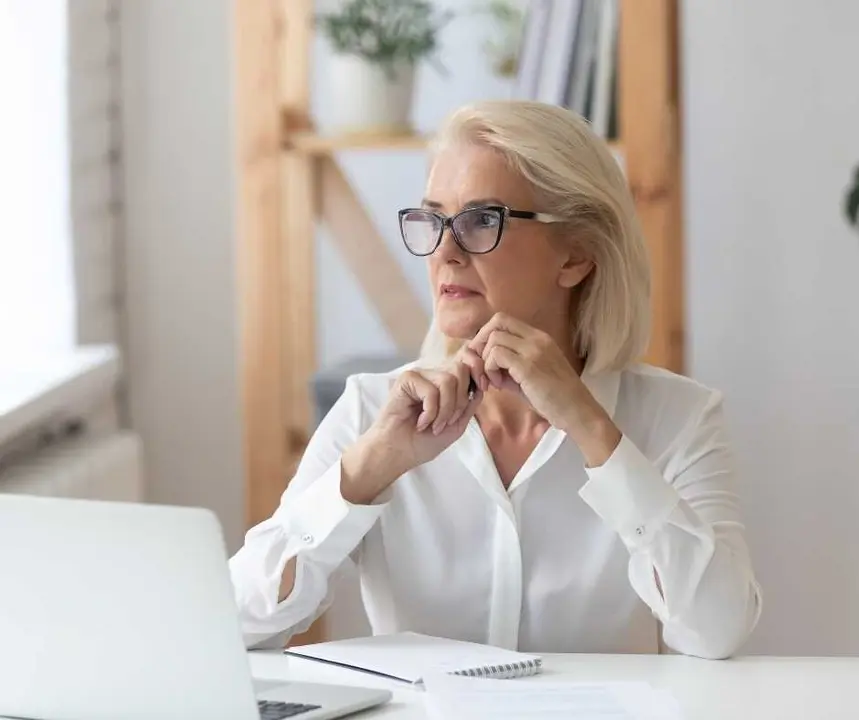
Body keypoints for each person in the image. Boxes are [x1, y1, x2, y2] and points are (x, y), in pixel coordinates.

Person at [229, 101, 762, 659]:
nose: (445, 251)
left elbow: (717, 631)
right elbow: (239, 622)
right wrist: (368, 469)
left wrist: (592, 429)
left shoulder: (679, 418)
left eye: (482, 220)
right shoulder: (371, 411)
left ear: (576, 255)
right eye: (434, 219)